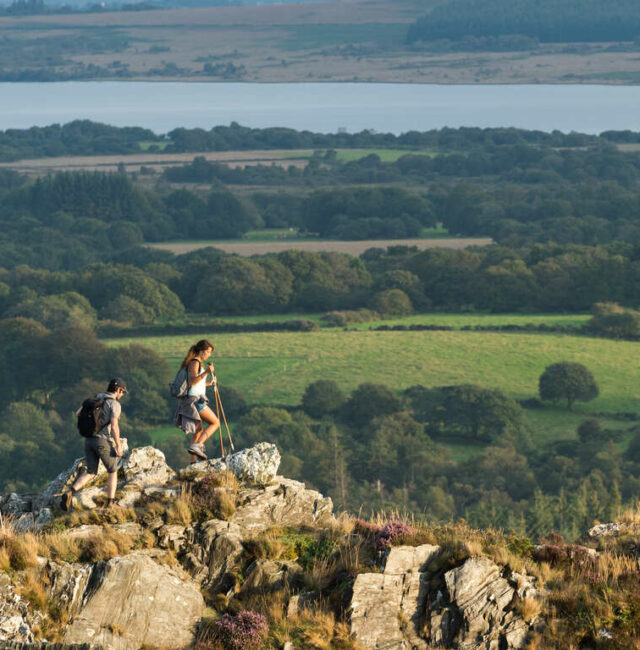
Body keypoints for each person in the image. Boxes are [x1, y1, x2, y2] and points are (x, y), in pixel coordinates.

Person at [61, 377, 127, 511]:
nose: (122, 395)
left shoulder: (96, 398)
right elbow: (114, 426)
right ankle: (110, 502)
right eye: (123, 392)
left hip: (88, 440)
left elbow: (78, 413)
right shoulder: (114, 404)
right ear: (118, 389)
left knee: (91, 471)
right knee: (113, 470)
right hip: (102, 441)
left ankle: (71, 492)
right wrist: (118, 446)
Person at [174, 339, 220, 462]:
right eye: (208, 352)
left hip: (193, 399)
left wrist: (209, 383)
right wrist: (206, 372)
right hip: (195, 401)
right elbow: (193, 380)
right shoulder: (195, 363)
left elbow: (196, 384)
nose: (209, 355)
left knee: (198, 431)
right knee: (215, 422)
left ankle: (193, 462)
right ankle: (197, 446)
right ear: (201, 351)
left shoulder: (197, 363)